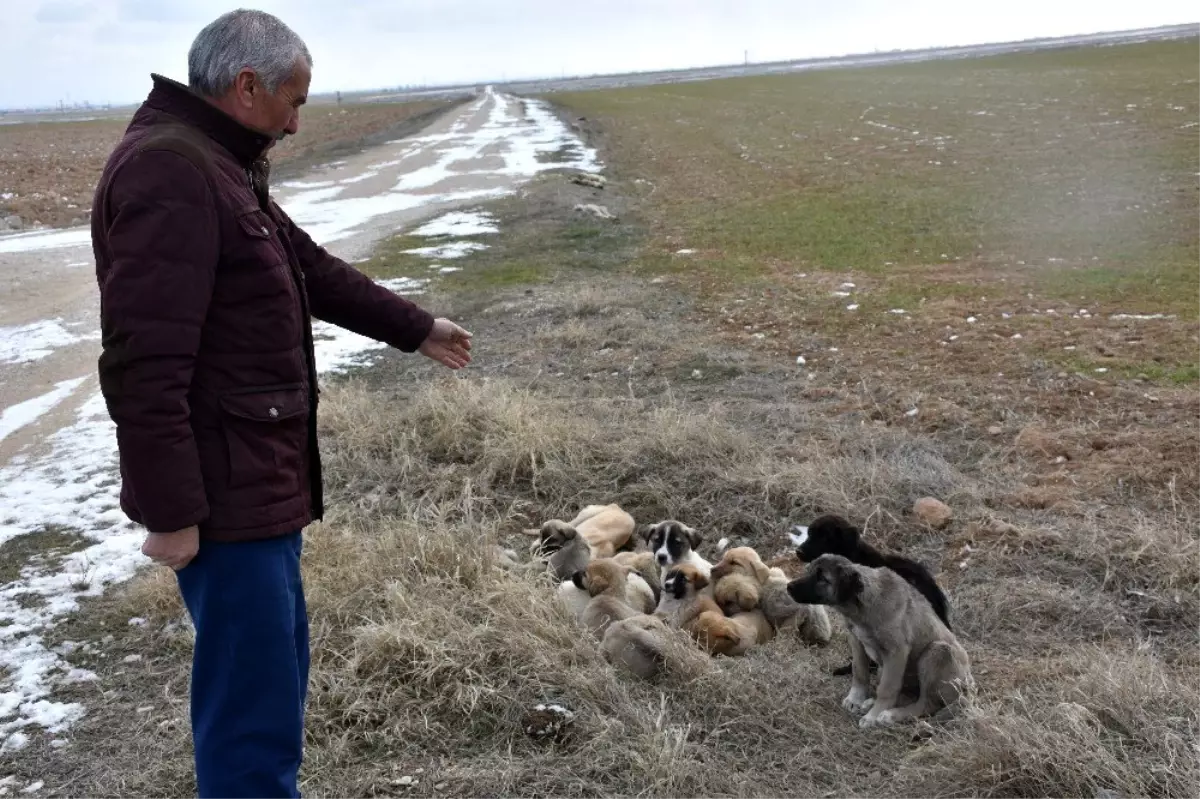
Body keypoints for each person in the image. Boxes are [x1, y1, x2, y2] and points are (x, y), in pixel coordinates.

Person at [90, 9, 472, 798]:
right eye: (294, 102)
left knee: (275, 677)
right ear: (247, 85)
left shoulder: (220, 162)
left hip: (260, 481)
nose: (297, 123)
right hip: (223, 496)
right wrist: (168, 511)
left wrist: (416, 328)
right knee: (250, 713)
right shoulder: (171, 172)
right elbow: (145, 362)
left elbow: (312, 268)